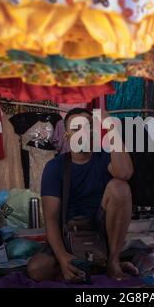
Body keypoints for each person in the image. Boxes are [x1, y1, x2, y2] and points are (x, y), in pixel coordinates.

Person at [27, 108, 139, 282]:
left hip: (101, 234)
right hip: (69, 234)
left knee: (120, 187)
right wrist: (62, 256)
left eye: (88, 126)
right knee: (37, 269)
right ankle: (89, 265)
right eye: (76, 128)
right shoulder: (55, 167)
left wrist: (110, 127)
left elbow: (125, 173)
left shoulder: (104, 158)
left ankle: (112, 261)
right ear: (66, 136)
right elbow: (51, 219)